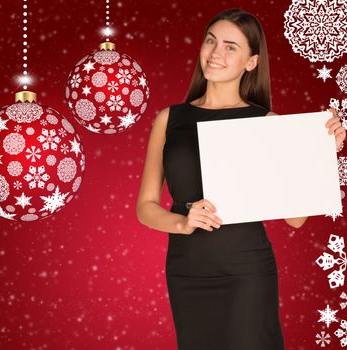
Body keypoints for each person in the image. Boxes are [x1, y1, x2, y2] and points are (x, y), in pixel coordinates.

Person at [136, 7, 345, 350]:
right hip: (186, 271)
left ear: (251, 62)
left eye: (230, 46)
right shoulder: (169, 119)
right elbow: (145, 208)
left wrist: (322, 152)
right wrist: (183, 223)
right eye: (211, 41)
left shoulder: (268, 123)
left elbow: (295, 219)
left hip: (247, 272)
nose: (216, 53)